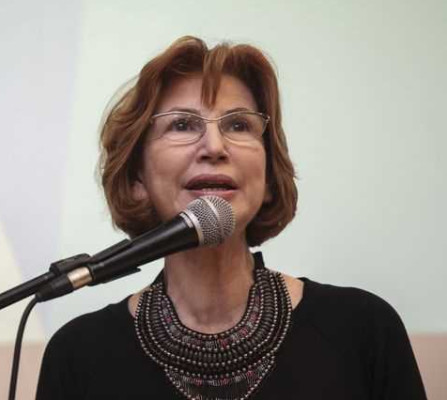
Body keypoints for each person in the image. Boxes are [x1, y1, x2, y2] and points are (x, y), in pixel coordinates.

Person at [35, 36, 426, 400]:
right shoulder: (79, 354)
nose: (214, 146)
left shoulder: (362, 330)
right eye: (182, 124)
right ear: (138, 178)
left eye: (239, 125)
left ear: (269, 176)